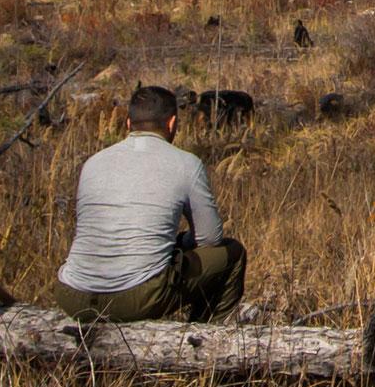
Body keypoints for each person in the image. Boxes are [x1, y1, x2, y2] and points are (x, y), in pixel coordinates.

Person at [53, 86, 246, 323]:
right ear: (172, 123)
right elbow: (210, 239)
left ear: (127, 123)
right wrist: (182, 242)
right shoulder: (186, 163)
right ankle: (203, 339)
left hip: (72, 295)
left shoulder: (93, 163)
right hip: (136, 297)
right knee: (233, 254)